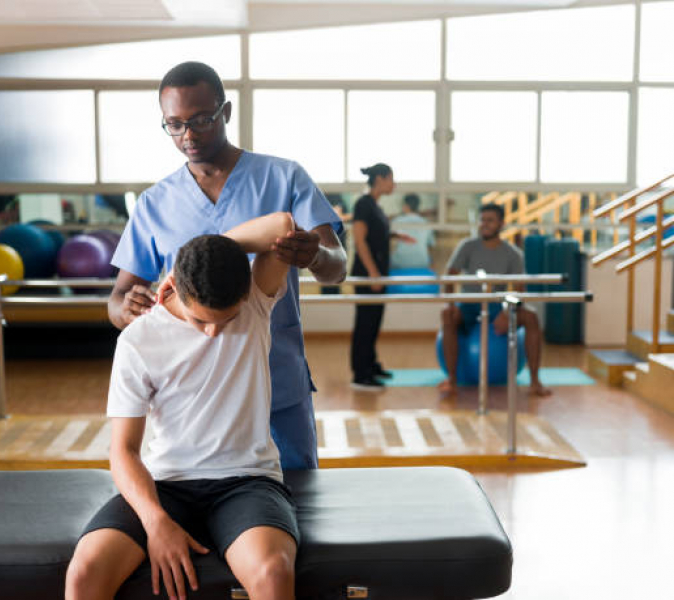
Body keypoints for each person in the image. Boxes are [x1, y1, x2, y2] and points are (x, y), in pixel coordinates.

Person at [107, 61, 346, 470]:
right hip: (188, 397)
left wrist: (316, 256)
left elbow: (337, 267)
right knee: (201, 514)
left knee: (296, 509)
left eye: (201, 119)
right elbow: (116, 299)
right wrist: (123, 310)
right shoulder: (154, 204)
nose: (188, 135)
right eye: (175, 124)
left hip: (275, 385)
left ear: (226, 112)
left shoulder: (284, 178)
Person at [66, 213, 300, 600]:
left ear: (246, 295)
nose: (213, 332)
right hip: (165, 484)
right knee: (85, 573)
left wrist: (205, 254)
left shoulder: (257, 302)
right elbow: (123, 449)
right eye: (199, 320)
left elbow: (282, 225)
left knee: (273, 573)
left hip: (246, 481)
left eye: (226, 320)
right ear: (170, 286)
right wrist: (156, 522)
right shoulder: (138, 340)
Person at [438, 204, 551, 397]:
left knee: (531, 317)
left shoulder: (513, 253)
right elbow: (450, 275)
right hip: (469, 303)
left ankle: (535, 382)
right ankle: (452, 380)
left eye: (490, 220)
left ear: (501, 224)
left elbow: (519, 290)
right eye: (482, 220)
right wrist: (451, 304)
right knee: (447, 315)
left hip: (498, 304)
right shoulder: (468, 246)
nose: (484, 224)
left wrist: (507, 311)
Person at [350, 163, 414, 390]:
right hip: (368, 275)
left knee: (374, 321)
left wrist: (396, 234)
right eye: (391, 178)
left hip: (377, 274)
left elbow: (376, 233)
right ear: (380, 179)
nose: (394, 183)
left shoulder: (375, 205)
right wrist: (373, 274)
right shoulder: (363, 204)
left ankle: (371, 364)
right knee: (365, 323)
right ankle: (360, 374)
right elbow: (359, 241)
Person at [390, 193, 435, 270]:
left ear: (405, 206)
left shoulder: (397, 221)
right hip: (422, 263)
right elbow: (430, 245)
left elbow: (390, 243)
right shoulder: (425, 222)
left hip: (399, 263)